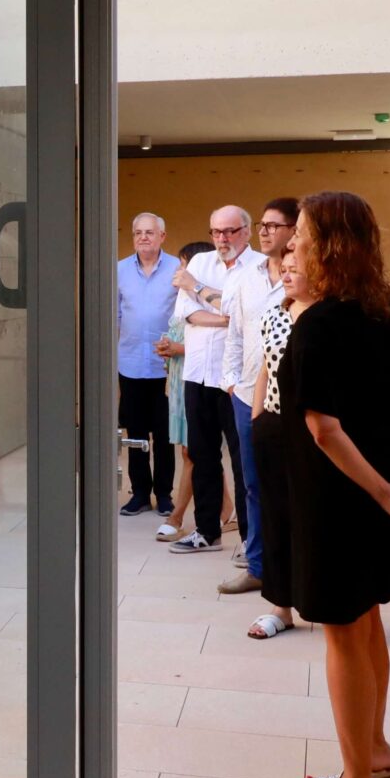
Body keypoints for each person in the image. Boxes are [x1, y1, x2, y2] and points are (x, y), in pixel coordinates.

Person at [283, 192, 390, 778]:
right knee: (367, 619)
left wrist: (384, 490)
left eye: (300, 235)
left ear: (327, 245)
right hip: (386, 498)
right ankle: (373, 751)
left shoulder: (318, 322)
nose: (292, 245)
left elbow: (323, 428)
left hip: (339, 496)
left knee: (343, 633)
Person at [218, 198, 298, 594]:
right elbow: (234, 333)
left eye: (273, 225)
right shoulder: (245, 276)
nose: (264, 231)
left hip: (292, 401)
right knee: (252, 483)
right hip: (247, 394)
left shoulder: (304, 275)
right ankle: (258, 566)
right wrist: (231, 380)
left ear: (294, 231)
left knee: (292, 484)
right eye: (262, 224)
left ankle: (296, 567)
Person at [169, 206, 255, 555]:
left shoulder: (259, 267)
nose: (223, 239)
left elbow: (245, 314)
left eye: (231, 231)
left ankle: (251, 537)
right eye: (216, 232)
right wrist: (226, 316)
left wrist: (199, 291)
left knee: (242, 458)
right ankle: (207, 530)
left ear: (247, 231)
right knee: (201, 455)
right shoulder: (200, 262)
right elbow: (186, 312)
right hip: (197, 373)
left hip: (236, 379)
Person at [247, 243, 307, 639]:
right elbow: (265, 369)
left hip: (317, 431)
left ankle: (324, 599)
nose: (285, 275)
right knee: (276, 516)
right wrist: (257, 419)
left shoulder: (327, 318)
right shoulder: (274, 315)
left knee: (313, 518)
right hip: (274, 425)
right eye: (282, 269)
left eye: (294, 268)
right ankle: (280, 606)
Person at [118, 212, 181, 518]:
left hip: (166, 368)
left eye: (149, 232)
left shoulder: (177, 270)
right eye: (138, 232)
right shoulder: (119, 271)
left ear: (162, 237)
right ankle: (140, 493)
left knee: (164, 435)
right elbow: (114, 316)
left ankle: (164, 494)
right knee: (136, 435)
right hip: (130, 365)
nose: (143, 237)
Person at [156, 242, 214, 543]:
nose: (179, 271)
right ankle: (225, 509)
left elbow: (218, 338)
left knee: (194, 452)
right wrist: (169, 348)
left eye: (184, 265)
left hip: (200, 384)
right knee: (194, 452)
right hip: (179, 385)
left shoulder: (212, 301)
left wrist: (177, 348)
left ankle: (177, 516)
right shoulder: (183, 297)